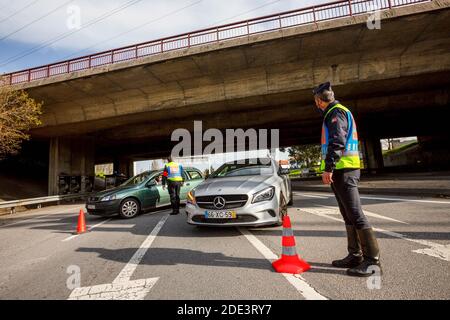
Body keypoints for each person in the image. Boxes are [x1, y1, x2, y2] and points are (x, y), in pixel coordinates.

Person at [313, 81, 382, 277]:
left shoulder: (336, 113)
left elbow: (338, 141)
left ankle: (372, 262)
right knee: (348, 215)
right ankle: (355, 255)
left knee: (355, 214)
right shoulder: (335, 112)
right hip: (343, 170)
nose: (316, 104)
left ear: (319, 101)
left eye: (316, 101)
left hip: (345, 170)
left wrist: (328, 167)